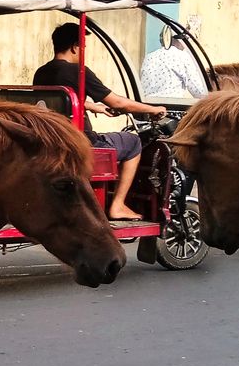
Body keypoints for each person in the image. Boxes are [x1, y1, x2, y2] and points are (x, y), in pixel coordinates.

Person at [34, 23, 167, 221]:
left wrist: (93, 106)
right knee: (133, 143)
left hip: (53, 141)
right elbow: (118, 102)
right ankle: (118, 205)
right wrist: (153, 109)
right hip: (83, 143)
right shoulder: (77, 72)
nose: (83, 51)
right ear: (74, 47)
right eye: (84, 47)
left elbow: (59, 102)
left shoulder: (42, 72)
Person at [139, 26, 208, 99]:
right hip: (171, 105)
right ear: (178, 40)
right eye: (186, 39)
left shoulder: (149, 57)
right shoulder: (182, 56)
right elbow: (198, 91)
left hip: (147, 105)